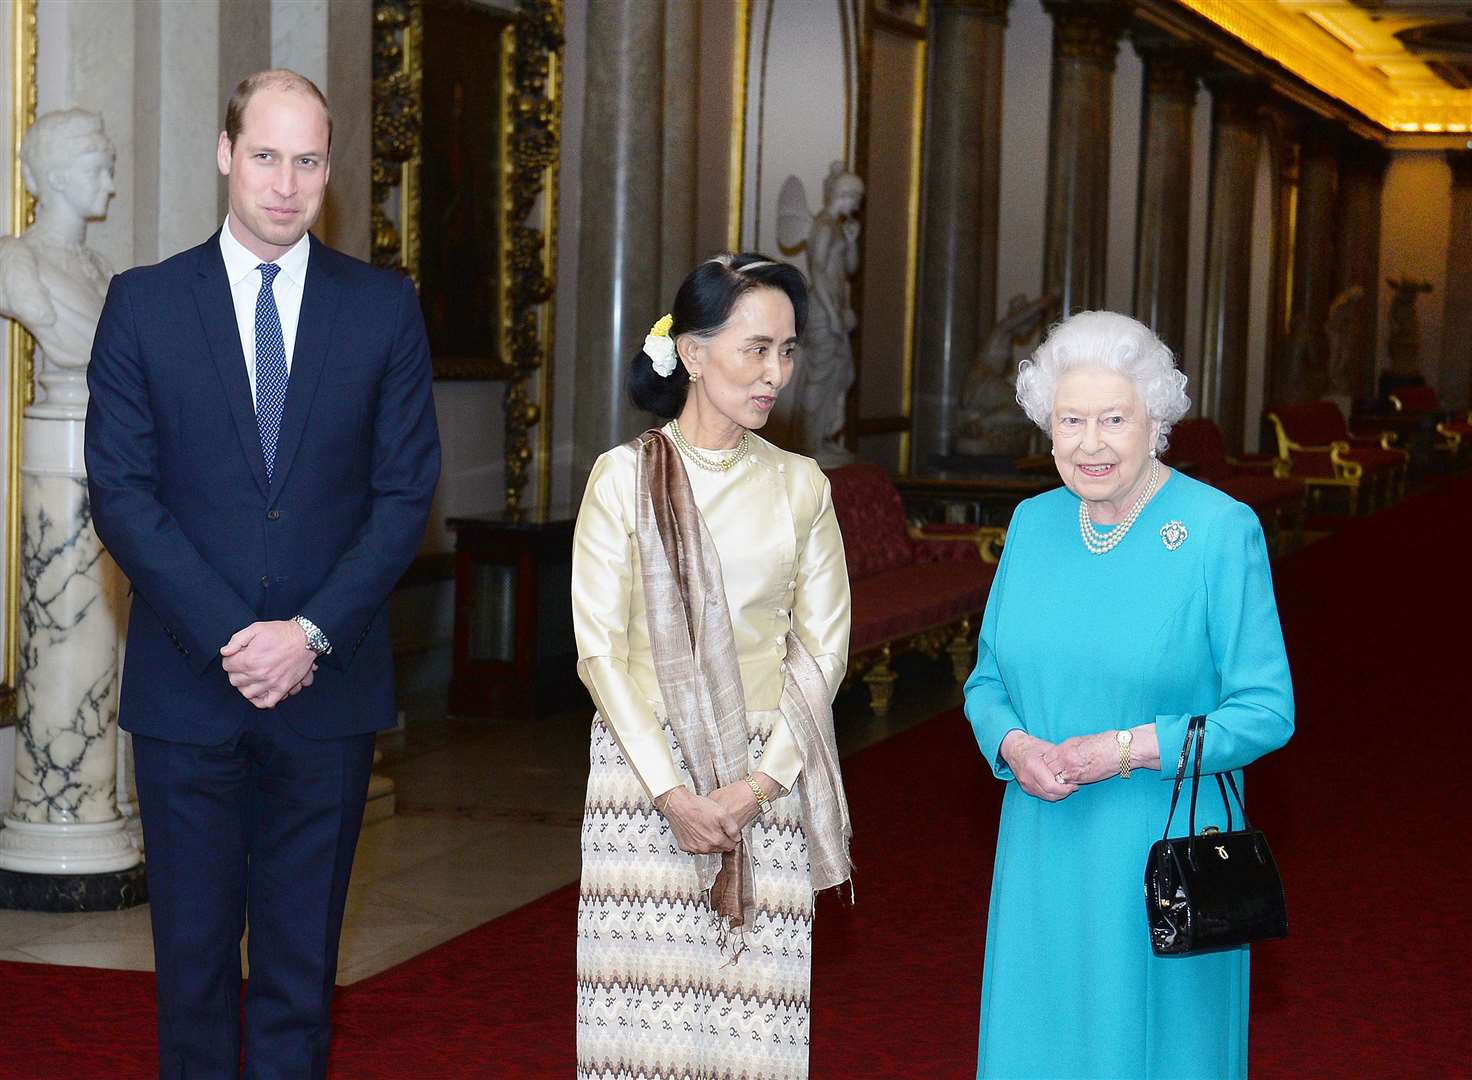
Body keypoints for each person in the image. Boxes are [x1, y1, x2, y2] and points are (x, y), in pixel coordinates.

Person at [84, 69, 440, 1077]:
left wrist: (309, 635)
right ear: (224, 153)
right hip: (190, 689)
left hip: (326, 691)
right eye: (268, 155)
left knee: (297, 976)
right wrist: (237, 638)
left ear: (330, 168)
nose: (287, 183)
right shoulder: (144, 306)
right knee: (191, 971)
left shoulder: (381, 309)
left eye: (310, 160)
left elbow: (403, 494)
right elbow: (122, 493)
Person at [963, 310, 1294, 1079]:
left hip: (1165, 842)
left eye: (1115, 418)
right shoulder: (1033, 524)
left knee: (1156, 1049)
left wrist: (1125, 749)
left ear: (1157, 421)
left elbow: (1266, 710)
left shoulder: (1218, 530)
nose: (1090, 443)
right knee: (1039, 1041)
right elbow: (986, 681)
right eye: (1070, 420)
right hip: (1042, 835)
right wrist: (1012, 745)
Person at [572, 253, 854, 1080]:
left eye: (788, 352)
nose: (777, 374)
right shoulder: (623, 477)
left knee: (751, 1035)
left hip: (766, 776)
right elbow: (597, 649)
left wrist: (758, 786)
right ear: (693, 354)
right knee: (638, 1033)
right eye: (756, 349)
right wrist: (673, 791)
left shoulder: (802, 485)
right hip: (640, 781)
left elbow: (824, 648)